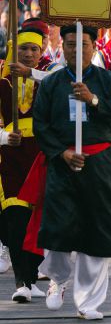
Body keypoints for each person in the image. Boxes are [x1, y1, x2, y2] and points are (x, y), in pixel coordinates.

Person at [32, 25, 111, 319]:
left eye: (84, 44)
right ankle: (57, 279)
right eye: (70, 44)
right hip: (63, 162)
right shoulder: (52, 83)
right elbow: (41, 124)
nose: (77, 50)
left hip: (98, 163)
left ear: (94, 47)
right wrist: (60, 153)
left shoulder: (106, 80)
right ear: (62, 46)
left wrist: (94, 100)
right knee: (58, 226)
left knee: (97, 230)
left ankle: (88, 302)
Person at [0, 24, 47, 302]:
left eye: (34, 49)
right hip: (12, 158)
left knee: (37, 222)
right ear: (13, 51)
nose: (28, 54)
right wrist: (5, 138)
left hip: (40, 157)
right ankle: (22, 282)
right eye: (23, 49)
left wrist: (31, 74)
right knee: (16, 220)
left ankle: (31, 276)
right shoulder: (2, 84)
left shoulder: (48, 80)